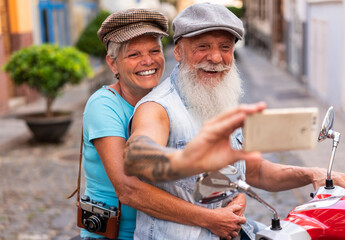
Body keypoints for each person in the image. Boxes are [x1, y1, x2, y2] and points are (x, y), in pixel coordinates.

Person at [124, 3, 345, 240]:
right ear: (178, 51)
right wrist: (184, 161)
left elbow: (254, 171)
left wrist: (312, 173)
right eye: (202, 47)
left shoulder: (219, 98)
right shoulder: (158, 107)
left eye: (225, 47)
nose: (216, 57)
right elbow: (136, 154)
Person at [81, 8, 264, 240]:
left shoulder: (177, 99)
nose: (147, 61)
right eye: (134, 54)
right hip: (117, 234)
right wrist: (209, 217)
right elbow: (128, 189)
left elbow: (192, 183)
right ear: (113, 64)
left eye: (154, 51)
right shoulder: (104, 106)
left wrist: (232, 196)